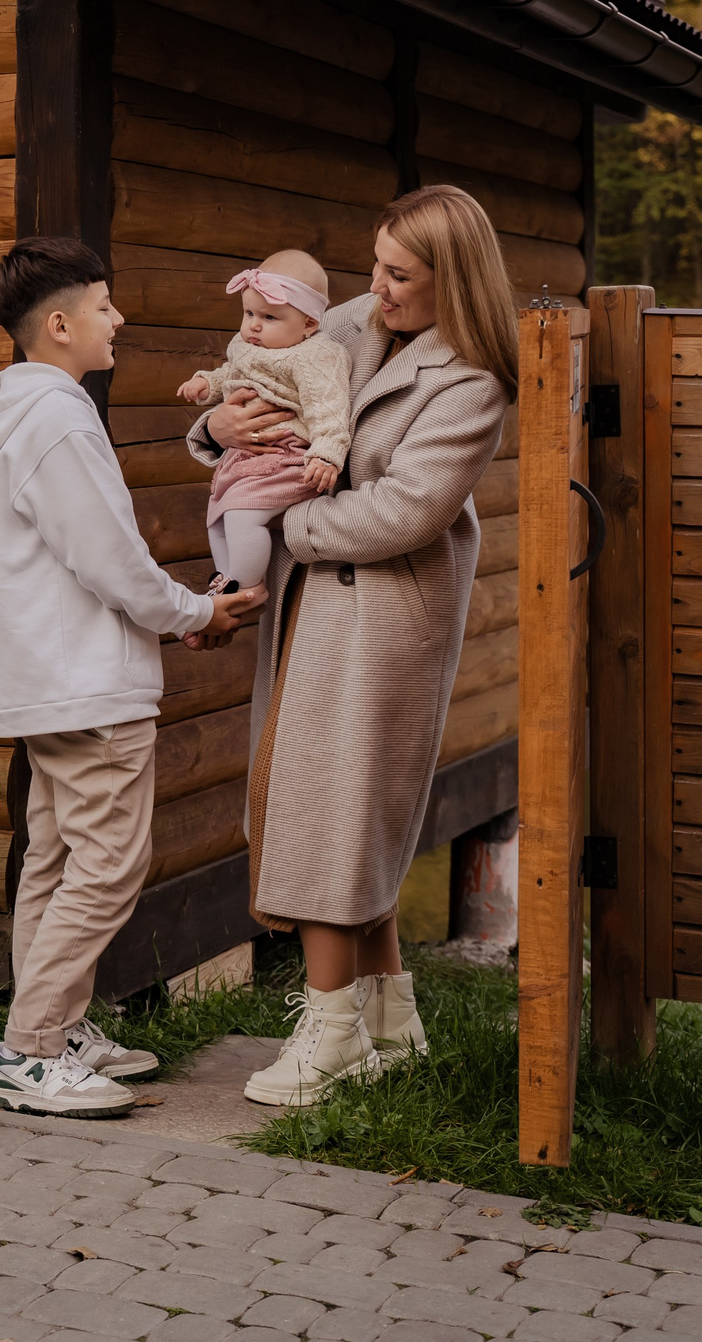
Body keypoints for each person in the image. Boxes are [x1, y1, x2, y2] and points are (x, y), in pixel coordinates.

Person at [183, 187, 517, 1107]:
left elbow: (410, 509)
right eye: (376, 264)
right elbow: (257, 365)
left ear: (454, 280)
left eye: (399, 274)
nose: (376, 287)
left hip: (382, 612)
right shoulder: (357, 321)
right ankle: (388, 1016)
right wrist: (216, 430)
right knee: (341, 802)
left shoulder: (472, 382)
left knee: (334, 802)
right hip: (317, 601)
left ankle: (329, 1033)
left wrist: (285, 526)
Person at [0, 236, 267, 1118]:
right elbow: (110, 560)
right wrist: (197, 612)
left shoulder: (27, 414)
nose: (118, 318)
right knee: (107, 867)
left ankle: (60, 1026)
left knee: (53, 862)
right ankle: (29, 1051)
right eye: (103, 306)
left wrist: (179, 614)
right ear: (58, 325)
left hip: (50, 684)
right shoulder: (57, 418)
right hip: (87, 687)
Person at [174, 247, 354, 597]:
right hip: (245, 456)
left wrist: (326, 453)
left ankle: (247, 584)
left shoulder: (316, 356)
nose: (254, 325)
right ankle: (227, 578)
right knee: (218, 517)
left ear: (309, 324)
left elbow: (329, 406)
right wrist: (206, 384)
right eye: (249, 312)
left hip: (286, 455)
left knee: (243, 517)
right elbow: (231, 374)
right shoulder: (248, 345)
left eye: (269, 317)